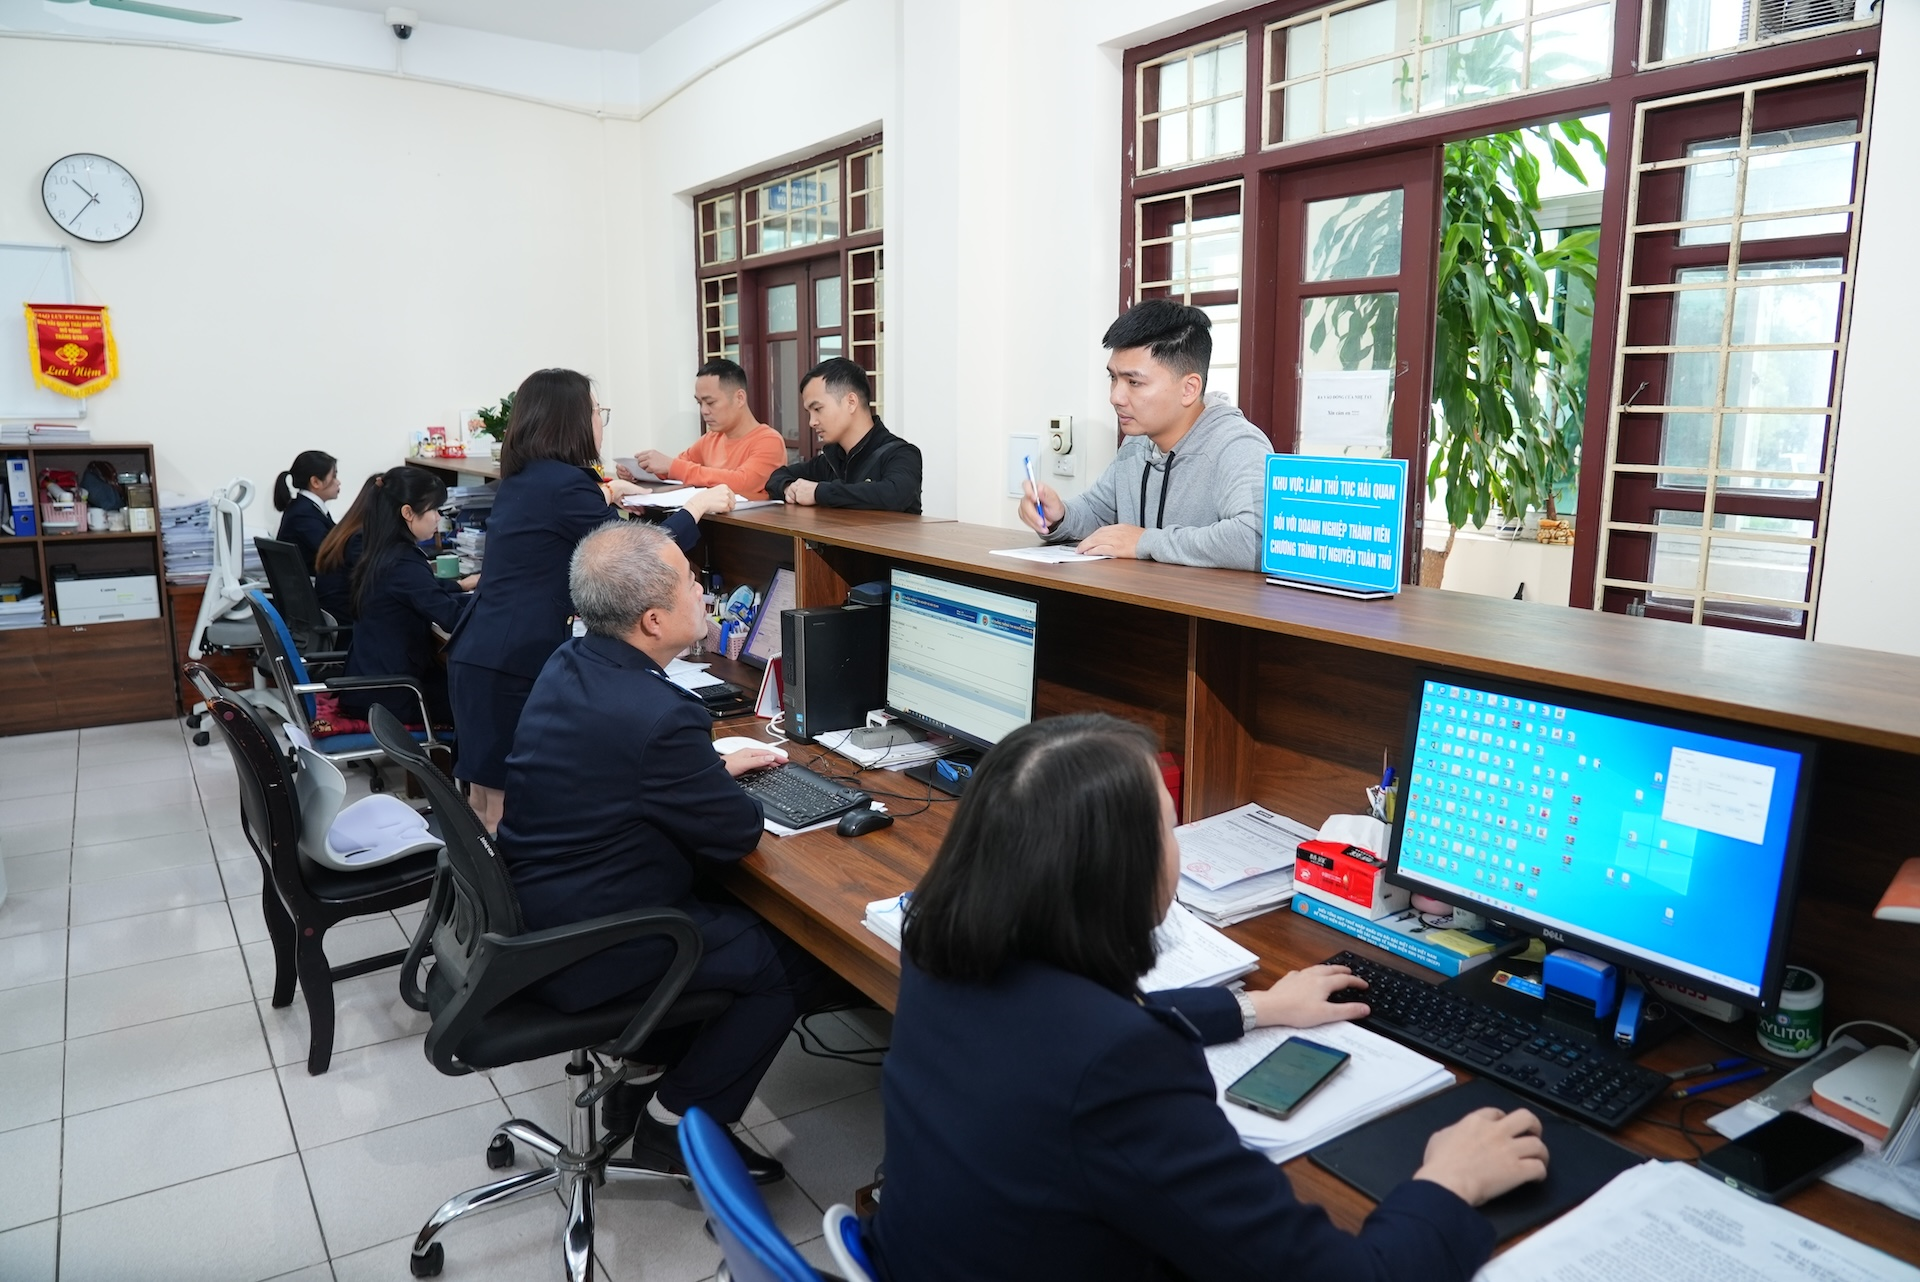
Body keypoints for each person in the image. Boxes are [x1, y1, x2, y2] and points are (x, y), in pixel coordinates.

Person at [866, 713, 1550, 1282]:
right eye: (1167, 829)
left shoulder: (942, 941)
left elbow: (1057, 1041)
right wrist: (1449, 1184)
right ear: (1114, 869)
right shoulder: (1118, 1066)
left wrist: (1258, 1008)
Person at [498, 520, 835, 1185]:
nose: (703, 590)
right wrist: (708, 778)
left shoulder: (571, 660)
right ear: (653, 621)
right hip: (593, 944)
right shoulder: (660, 716)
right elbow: (737, 833)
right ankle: (674, 1124)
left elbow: (614, 765)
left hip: (539, 908)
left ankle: (642, 1079)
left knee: (733, 918)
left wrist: (698, 771)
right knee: (794, 956)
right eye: (690, 581)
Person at [446, 367, 735, 832]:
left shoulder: (528, 476)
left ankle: (477, 880)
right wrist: (697, 505)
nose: (601, 422)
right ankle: (503, 883)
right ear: (572, 419)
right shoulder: (565, 484)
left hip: (483, 649)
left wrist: (608, 491)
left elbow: (561, 522)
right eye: (598, 411)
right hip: (511, 660)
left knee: (482, 798)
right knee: (502, 807)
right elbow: (640, 558)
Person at [1019, 299, 1270, 569]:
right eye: (1113, 378)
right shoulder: (1137, 441)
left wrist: (1146, 542)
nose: (1116, 397)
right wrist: (1060, 516)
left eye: (1134, 382)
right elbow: (1098, 512)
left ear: (1189, 389)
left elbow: (1256, 539)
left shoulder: (1237, 446)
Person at [337, 467, 475, 725]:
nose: (438, 518)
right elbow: (451, 618)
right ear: (408, 513)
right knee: (482, 699)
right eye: (434, 510)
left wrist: (474, 596)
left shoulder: (385, 551)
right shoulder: (403, 562)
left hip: (371, 685)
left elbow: (428, 592)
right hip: (391, 695)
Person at [765, 357, 921, 513]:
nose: (812, 422)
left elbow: (895, 494)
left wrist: (819, 493)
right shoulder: (831, 460)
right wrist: (789, 488)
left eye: (818, 409)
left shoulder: (901, 454)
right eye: (809, 412)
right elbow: (777, 478)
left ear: (851, 402)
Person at [621, 357, 787, 501]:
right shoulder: (711, 439)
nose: (704, 411)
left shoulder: (769, 441)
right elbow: (675, 469)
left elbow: (743, 483)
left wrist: (672, 466)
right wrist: (639, 471)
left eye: (710, 402)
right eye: (699, 403)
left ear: (739, 398)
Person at [313, 473, 379, 623]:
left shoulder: (348, 529)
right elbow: (378, 584)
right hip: (346, 624)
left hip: (336, 618)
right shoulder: (359, 538)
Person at [273, 448, 341, 579]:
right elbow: (330, 552)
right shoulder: (303, 514)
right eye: (334, 477)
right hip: (312, 585)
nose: (338, 482)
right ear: (315, 482)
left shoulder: (307, 507)